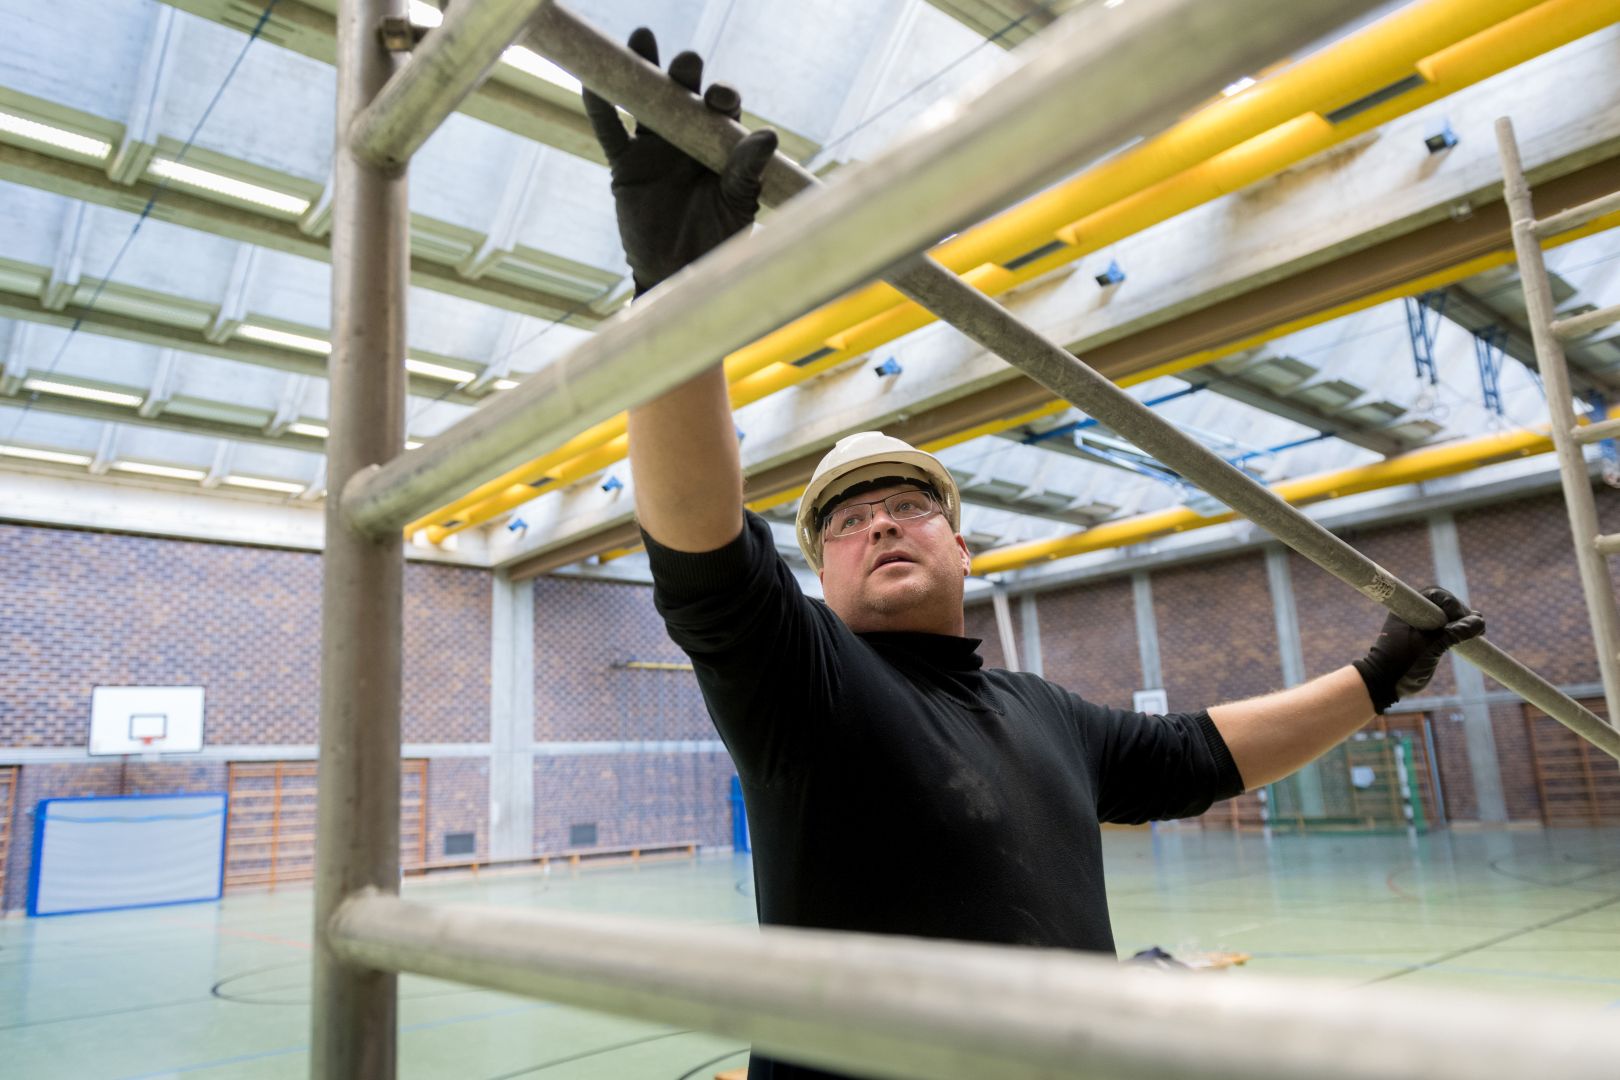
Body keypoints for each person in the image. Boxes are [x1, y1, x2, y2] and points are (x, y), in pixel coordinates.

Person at [584, 31, 1486, 1080]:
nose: (880, 523)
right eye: (846, 520)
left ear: (963, 548)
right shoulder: (807, 684)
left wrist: (1377, 677)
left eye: (907, 505)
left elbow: (1202, 753)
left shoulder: (1043, 713)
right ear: (821, 576)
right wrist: (675, 306)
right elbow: (698, 545)